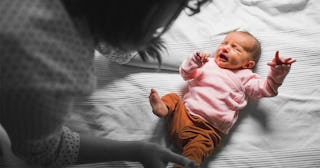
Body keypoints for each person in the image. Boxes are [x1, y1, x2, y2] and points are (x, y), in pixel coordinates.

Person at [0, 0, 212, 167]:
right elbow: (45, 150)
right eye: (182, 5)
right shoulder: (50, 69)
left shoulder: (85, 12)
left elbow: (114, 42)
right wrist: (137, 150)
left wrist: (196, 64)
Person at [149, 31, 296, 167]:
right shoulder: (208, 63)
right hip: (183, 114)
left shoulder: (246, 77)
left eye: (235, 48)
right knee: (173, 97)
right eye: (224, 43)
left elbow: (267, 89)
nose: (225, 48)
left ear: (248, 64)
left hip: (207, 131)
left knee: (196, 152)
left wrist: (277, 74)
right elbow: (185, 74)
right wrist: (194, 61)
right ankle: (163, 108)